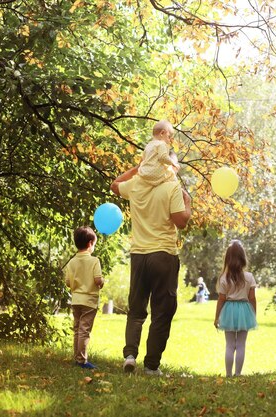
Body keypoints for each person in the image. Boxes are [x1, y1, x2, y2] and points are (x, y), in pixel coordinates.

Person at [110, 124, 192, 376]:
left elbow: (114, 185)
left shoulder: (135, 184)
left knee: (136, 310)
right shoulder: (172, 187)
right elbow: (181, 221)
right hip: (163, 255)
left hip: (139, 256)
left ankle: (130, 355)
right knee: (162, 312)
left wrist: (138, 167)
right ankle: (151, 366)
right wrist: (188, 204)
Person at [214, 240, 257, 377]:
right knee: (241, 345)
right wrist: (253, 314)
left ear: (227, 259)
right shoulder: (249, 277)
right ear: (243, 258)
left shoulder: (224, 278)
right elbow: (252, 298)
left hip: (229, 310)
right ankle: (238, 373)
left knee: (229, 345)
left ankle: (228, 374)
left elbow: (221, 299)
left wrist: (217, 317)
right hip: (244, 310)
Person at [64, 226, 104, 370]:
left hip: (75, 301)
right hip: (89, 301)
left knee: (77, 329)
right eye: (94, 244)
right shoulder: (94, 261)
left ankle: (77, 357)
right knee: (84, 330)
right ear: (89, 244)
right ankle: (82, 360)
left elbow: (68, 282)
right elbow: (98, 280)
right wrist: (102, 282)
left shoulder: (71, 262)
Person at [137, 120, 180, 186]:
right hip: (154, 174)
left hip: (144, 174)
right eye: (169, 137)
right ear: (162, 133)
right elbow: (163, 157)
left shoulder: (149, 145)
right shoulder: (161, 144)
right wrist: (173, 163)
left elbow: (143, 159)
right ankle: (175, 187)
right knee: (171, 174)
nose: (169, 141)